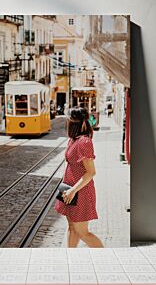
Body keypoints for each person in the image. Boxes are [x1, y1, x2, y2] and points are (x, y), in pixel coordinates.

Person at [54, 106, 104, 248]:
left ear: (72, 122)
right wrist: (67, 189)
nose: (66, 122)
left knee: (82, 232)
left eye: (67, 119)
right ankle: (70, 258)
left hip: (80, 192)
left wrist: (72, 190)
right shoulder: (73, 140)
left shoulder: (84, 142)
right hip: (69, 190)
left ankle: (107, 257)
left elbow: (91, 172)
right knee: (72, 228)